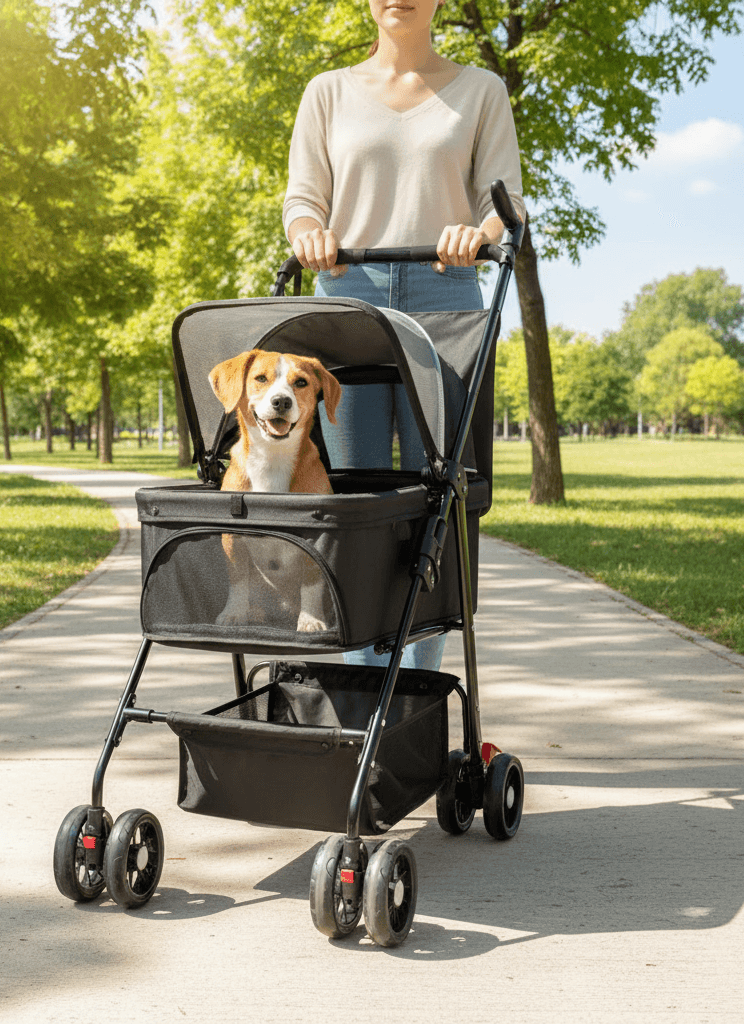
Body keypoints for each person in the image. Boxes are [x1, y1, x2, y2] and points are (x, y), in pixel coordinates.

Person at [282, 0, 525, 672]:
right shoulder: (327, 92)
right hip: (348, 296)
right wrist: (308, 233)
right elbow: (304, 196)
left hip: (444, 292)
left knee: (434, 500)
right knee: (351, 500)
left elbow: (505, 202)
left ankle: (415, 698)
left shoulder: (482, 90)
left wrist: (479, 232)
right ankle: (360, 696)